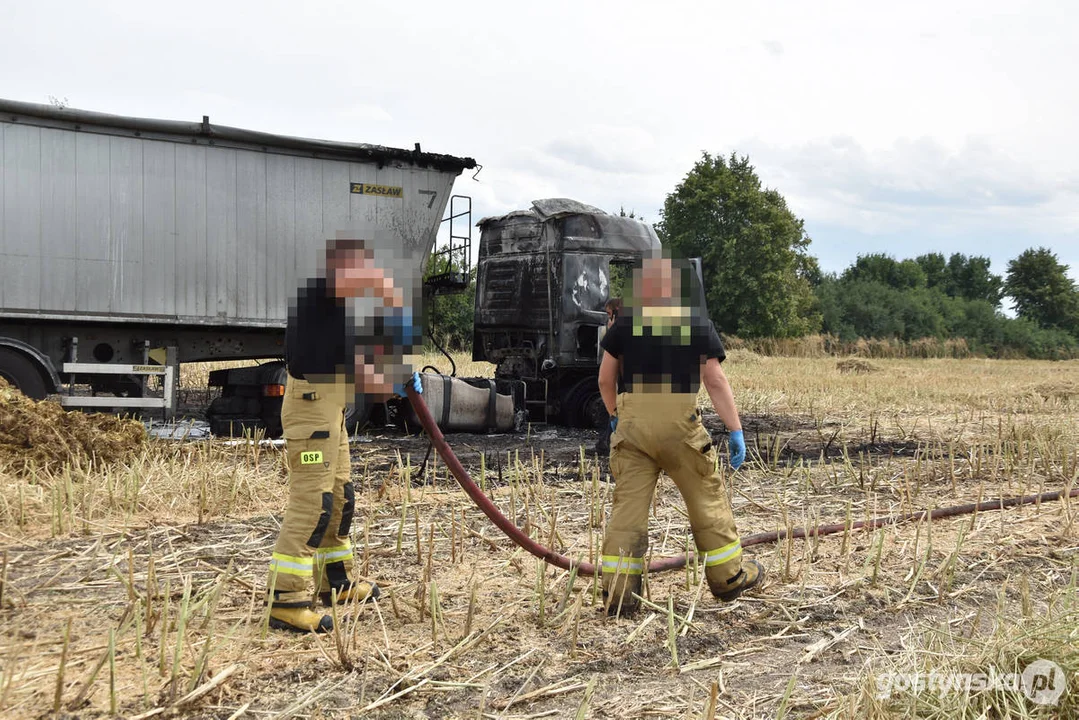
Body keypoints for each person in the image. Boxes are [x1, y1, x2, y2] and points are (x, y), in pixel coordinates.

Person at [267, 237, 422, 633]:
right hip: (310, 415)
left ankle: (335, 581)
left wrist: (395, 378)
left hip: (330, 412)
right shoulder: (318, 296)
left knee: (339, 498)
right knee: (312, 503)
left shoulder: (335, 310)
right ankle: (286, 600)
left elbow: (360, 371)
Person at [597, 255, 763, 615]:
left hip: (632, 428)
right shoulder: (695, 323)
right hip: (678, 425)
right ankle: (727, 578)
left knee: (627, 510)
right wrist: (735, 430)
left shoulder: (625, 324)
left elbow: (605, 380)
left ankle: (619, 595)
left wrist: (615, 417)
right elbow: (714, 379)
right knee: (705, 498)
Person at [595, 297, 623, 455]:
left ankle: (607, 442)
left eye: (609, 314)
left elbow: (605, 381)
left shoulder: (618, 333)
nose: (607, 319)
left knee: (612, 411)